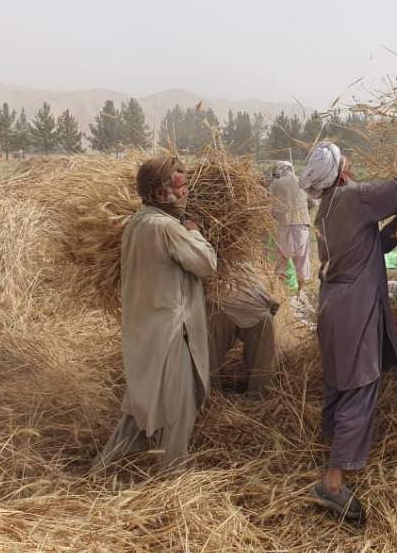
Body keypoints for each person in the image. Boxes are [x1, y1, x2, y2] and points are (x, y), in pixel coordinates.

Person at [299, 141, 397, 521]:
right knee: (360, 387)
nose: (350, 161)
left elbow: (362, 246)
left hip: (333, 307)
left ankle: (331, 446)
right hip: (354, 311)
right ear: (340, 172)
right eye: (345, 160)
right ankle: (333, 483)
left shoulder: (325, 209)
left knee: (338, 384)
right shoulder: (352, 197)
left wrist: (394, 224)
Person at [90, 156, 216, 473]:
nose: (186, 192)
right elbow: (206, 264)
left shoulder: (136, 223)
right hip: (172, 333)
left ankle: (99, 473)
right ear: (161, 194)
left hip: (145, 332)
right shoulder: (167, 228)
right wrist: (195, 232)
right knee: (179, 410)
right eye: (180, 186)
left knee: (137, 410)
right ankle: (173, 480)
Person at [208, 266, 279, 394]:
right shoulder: (247, 265)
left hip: (223, 307)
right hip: (259, 312)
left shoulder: (215, 263)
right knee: (261, 362)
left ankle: (212, 393)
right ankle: (258, 395)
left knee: (210, 354)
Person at [269, 161, 313, 290]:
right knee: (302, 262)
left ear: (279, 170)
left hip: (283, 225)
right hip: (302, 226)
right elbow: (313, 202)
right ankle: (300, 293)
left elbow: (268, 203)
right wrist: (303, 211)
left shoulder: (275, 184)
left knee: (282, 259)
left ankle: (282, 294)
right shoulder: (302, 183)